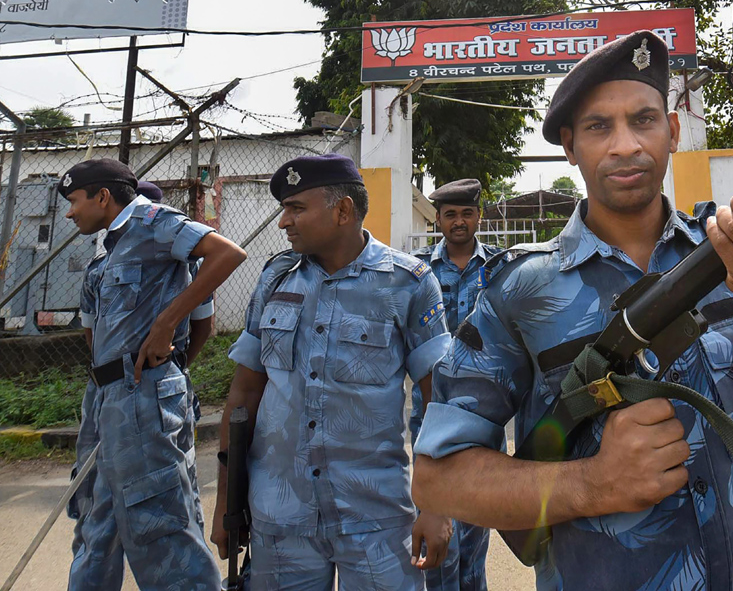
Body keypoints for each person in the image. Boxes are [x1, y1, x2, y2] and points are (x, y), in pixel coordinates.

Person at [412, 30, 733, 591]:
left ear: (671, 132)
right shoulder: (519, 291)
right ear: (570, 149)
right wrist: (594, 483)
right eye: (599, 127)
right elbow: (437, 479)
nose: (625, 145)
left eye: (644, 120)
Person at [213, 153, 454, 591]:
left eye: (297, 208)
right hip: (280, 517)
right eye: (284, 209)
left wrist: (437, 505)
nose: (284, 222)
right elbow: (243, 396)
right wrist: (227, 504)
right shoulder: (273, 281)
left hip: (374, 517)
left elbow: (440, 400)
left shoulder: (409, 283)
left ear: (343, 210)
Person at [62, 158, 247, 591]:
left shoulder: (152, 220)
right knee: (96, 516)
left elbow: (228, 253)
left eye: (74, 201)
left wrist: (166, 324)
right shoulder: (114, 246)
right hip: (107, 395)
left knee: (158, 524)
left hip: (141, 393)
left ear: (102, 197)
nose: (70, 213)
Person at [410, 177, 502, 591]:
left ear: (478, 217)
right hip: (430, 412)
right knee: (434, 522)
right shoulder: (416, 272)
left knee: (475, 524)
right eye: (450, 215)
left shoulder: (500, 268)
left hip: (484, 413)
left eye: (467, 213)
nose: (459, 222)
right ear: (439, 221)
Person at [139, 179, 211, 423]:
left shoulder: (189, 265)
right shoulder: (103, 265)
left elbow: (203, 325)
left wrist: (177, 364)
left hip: (168, 380)